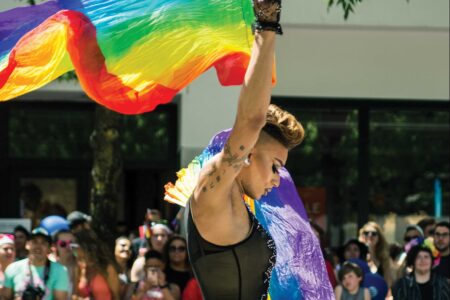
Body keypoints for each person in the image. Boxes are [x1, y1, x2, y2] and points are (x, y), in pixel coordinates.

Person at [182, 0, 311, 297]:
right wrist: (266, 25)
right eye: (275, 166)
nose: (277, 179)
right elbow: (252, 119)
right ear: (249, 152)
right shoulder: (213, 188)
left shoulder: (237, 200)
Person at [3, 227, 69, 300]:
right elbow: (5, 297)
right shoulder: (13, 268)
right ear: (27, 245)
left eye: (43, 243)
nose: (38, 246)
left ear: (49, 249)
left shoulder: (60, 270)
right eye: (34, 242)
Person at [72, 229, 121, 300]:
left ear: (88, 248)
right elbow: (75, 296)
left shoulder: (107, 268)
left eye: (76, 247)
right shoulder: (80, 268)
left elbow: (117, 297)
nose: (74, 251)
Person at [359, 222, 394, 287]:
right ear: (362, 236)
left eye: (374, 233)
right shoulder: (357, 256)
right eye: (366, 233)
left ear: (379, 238)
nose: (370, 235)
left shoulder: (385, 259)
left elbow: (388, 283)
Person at [53, 229, 77, 299]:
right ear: (55, 246)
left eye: (71, 243)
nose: (68, 247)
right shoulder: (50, 268)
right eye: (63, 244)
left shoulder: (83, 267)